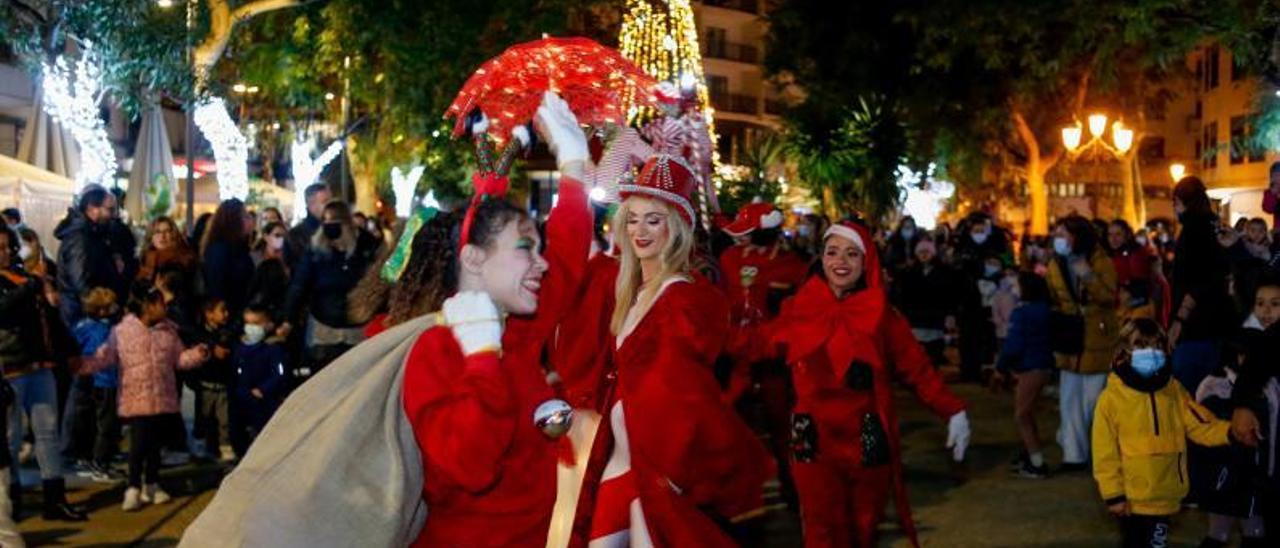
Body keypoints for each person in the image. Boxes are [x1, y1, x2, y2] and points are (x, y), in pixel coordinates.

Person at [400, 93, 592, 546]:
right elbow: (469, 465)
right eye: (527, 248)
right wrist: (483, 357)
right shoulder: (436, 349)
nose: (543, 263)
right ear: (472, 258)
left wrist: (575, 168)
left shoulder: (518, 332)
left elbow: (566, 256)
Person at [736, 220, 969, 547]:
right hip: (809, 427)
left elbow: (918, 370)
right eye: (832, 253)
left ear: (866, 262)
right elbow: (757, 345)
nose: (840, 262)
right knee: (818, 525)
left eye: (851, 254)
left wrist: (953, 411)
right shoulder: (798, 308)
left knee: (864, 525)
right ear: (822, 258)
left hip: (867, 427)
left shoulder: (881, 315)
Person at [1092, 319, 1231, 548]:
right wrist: (1113, 493)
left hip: (1165, 493)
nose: (1150, 352)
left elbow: (1200, 425)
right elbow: (1104, 451)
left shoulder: (1174, 390)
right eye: (1140, 346)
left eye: (1156, 346)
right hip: (1131, 498)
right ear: (1125, 350)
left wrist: (1230, 432)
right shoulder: (1111, 399)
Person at [82, 282, 209, 511]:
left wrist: (197, 354)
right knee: (139, 444)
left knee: (155, 445)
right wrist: (83, 365)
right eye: (160, 303)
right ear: (148, 306)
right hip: (136, 398)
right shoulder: (121, 331)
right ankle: (133, 487)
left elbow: (178, 359)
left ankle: (152, 482)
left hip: (162, 396)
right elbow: (105, 357)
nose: (165, 307)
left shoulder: (168, 331)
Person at [717, 200, 808, 506]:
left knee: (784, 424)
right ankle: (737, 492)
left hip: (775, 359)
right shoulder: (729, 259)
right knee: (730, 424)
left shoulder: (791, 264)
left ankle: (796, 485)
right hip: (736, 354)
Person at [0, 226, 86, 521]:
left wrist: (70, 348)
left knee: (48, 432)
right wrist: (32, 288)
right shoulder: (24, 282)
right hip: (9, 366)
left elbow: (49, 317)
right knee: (10, 439)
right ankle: (11, 502)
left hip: (40, 365)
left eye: (6, 246)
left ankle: (54, 498)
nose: (5, 252)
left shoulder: (26, 277)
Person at [1047, 215, 1121, 472]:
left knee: (1093, 401)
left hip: (1096, 336)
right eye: (1057, 234)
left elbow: (1109, 296)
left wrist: (1087, 276)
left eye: (1063, 234)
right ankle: (1073, 456)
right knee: (1069, 399)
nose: (1059, 239)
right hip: (1069, 336)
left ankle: (1094, 451)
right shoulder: (1055, 263)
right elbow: (1053, 297)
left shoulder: (1099, 260)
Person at [281, 200, 379, 375]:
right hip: (323, 327)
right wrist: (288, 318)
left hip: (358, 329)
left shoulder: (367, 247)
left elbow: (378, 284)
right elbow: (299, 285)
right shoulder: (316, 250)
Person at [1170, 177, 1236, 393]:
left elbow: (1198, 279)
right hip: (1219, 324)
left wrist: (1180, 318)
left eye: (1175, 203)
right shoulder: (1214, 225)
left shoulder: (1193, 230)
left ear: (1182, 201)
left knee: (1188, 394)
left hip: (1196, 326)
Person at [993, 272, 1055, 478]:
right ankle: (1031, 455)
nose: (1014, 289)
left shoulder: (1022, 314)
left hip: (1030, 368)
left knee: (1022, 416)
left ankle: (1037, 463)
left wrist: (1001, 367)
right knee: (1027, 413)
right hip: (1044, 366)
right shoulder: (1046, 310)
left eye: (1017, 286)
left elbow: (1013, 346)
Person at [55, 185, 129, 326]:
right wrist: (103, 306)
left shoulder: (95, 234)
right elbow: (81, 282)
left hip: (91, 313)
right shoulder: (80, 238)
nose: (113, 215)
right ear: (92, 209)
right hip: (85, 317)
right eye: (109, 209)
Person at [71, 287, 122, 482]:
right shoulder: (101, 331)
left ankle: (91, 457)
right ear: (101, 310)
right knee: (106, 424)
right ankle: (100, 463)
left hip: (89, 380)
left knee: (92, 421)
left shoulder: (81, 326)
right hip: (105, 380)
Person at [891, 237, 961, 366]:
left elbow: (950, 295)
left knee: (933, 352)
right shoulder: (909, 272)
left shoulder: (945, 272)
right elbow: (903, 295)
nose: (924, 255)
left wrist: (950, 314)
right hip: (915, 317)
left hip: (936, 316)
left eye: (926, 252)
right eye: (921, 252)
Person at [229, 304, 287, 457]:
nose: (251, 328)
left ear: (268, 324)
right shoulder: (239, 348)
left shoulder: (273, 348)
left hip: (265, 401)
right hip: (242, 400)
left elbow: (279, 374)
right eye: (248, 323)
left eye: (256, 323)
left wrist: (263, 389)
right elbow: (235, 373)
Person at [189, 298, 235, 462]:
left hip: (222, 385)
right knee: (203, 418)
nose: (226, 314)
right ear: (209, 314)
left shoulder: (227, 333)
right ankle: (200, 447)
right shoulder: (200, 334)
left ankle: (225, 446)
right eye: (222, 311)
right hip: (205, 385)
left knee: (224, 419)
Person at [201, 199, 257, 320]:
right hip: (227, 314)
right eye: (245, 217)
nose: (250, 220)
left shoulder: (240, 247)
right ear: (234, 221)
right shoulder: (220, 249)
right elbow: (216, 285)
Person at [248, 221, 291, 321]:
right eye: (277, 235)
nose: (281, 239)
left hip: (280, 307)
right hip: (258, 309)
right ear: (266, 237)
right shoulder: (255, 257)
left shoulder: (289, 258)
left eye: (284, 236)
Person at [137, 216, 197, 283]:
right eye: (157, 232)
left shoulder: (184, 260)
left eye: (167, 231)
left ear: (173, 235)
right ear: (151, 238)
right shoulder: (145, 258)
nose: (162, 236)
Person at [286, 183, 332, 268]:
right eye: (325, 201)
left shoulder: (335, 229)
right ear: (311, 204)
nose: (331, 206)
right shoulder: (295, 235)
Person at [1261, 161, 1280, 229]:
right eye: (1275, 175)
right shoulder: (1269, 193)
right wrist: (1272, 194)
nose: (1277, 178)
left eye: (1279, 175)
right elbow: (1268, 209)